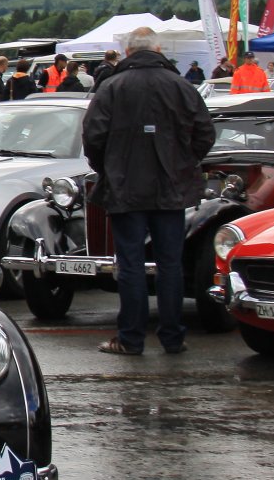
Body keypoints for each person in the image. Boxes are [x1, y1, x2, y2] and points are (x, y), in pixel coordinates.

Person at [82, 27, 213, 355]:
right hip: (170, 186)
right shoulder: (181, 86)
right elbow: (205, 133)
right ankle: (173, 337)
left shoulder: (112, 87)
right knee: (170, 264)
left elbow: (93, 136)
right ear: (158, 49)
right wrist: (183, 163)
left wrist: (108, 167)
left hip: (125, 185)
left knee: (131, 264)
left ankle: (131, 338)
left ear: (127, 52)